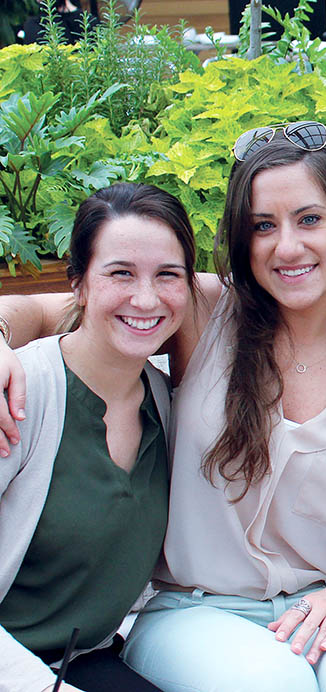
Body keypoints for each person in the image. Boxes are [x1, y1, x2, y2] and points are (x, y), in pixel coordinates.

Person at [0, 122, 326, 692]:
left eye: (309, 219)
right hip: (197, 610)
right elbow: (56, 308)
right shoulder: (204, 310)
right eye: (263, 226)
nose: (287, 246)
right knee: (271, 684)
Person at [0, 182, 192, 692]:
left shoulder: (164, 401)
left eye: (167, 274)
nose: (146, 298)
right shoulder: (18, 394)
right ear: (79, 284)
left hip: (83, 659)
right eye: (120, 273)